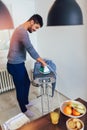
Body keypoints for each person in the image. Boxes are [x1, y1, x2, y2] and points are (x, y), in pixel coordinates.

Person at [7, 14, 48, 117]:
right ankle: (23, 109)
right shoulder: (21, 31)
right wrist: (41, 61)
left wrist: (38, 59)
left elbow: (27, 48)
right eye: (36, 27)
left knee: (26, 83)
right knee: (20, 87)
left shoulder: (21, 30)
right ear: (32, 22)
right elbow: (30, 48)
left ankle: (25, 102)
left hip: (18, 64)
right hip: (15, 65)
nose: (35, 30)